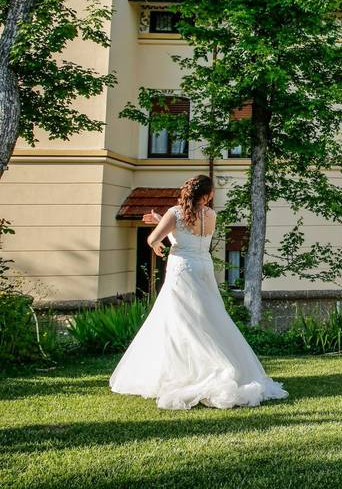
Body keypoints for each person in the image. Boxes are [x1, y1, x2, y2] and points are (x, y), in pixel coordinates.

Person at [110, 175, 288, 410]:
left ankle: (188, 371)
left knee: (181, 320)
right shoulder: (211, 215)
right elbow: (190, 235)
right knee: (208, 317)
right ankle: (227, 366)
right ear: (207, 195)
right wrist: (160, 219)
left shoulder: (175, 213)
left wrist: (157, 242)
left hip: (182, 269)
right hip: (204, 267)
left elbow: (155, 238)